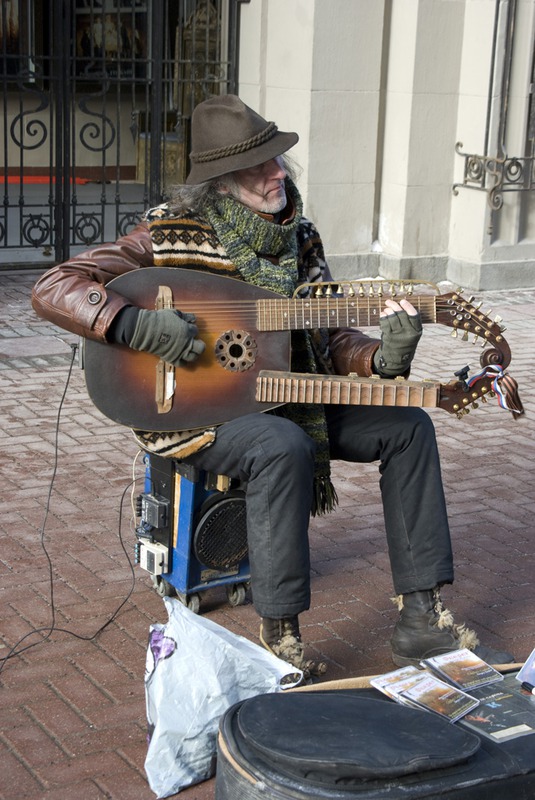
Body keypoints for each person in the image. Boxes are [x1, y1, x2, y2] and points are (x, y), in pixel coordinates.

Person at [32, 94, 513, 675]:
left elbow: (333, 341)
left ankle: (422, 621)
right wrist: (133, 323)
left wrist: (385, 355)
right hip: (195, 412)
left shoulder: (300, 237)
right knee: (280, 446)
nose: (277, 173)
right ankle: (280, 639)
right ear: (221, 181)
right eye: (259, 166)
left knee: (407, 426)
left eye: (277, 160)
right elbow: (55, 285)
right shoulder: (169, 234)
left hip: (294, 392)